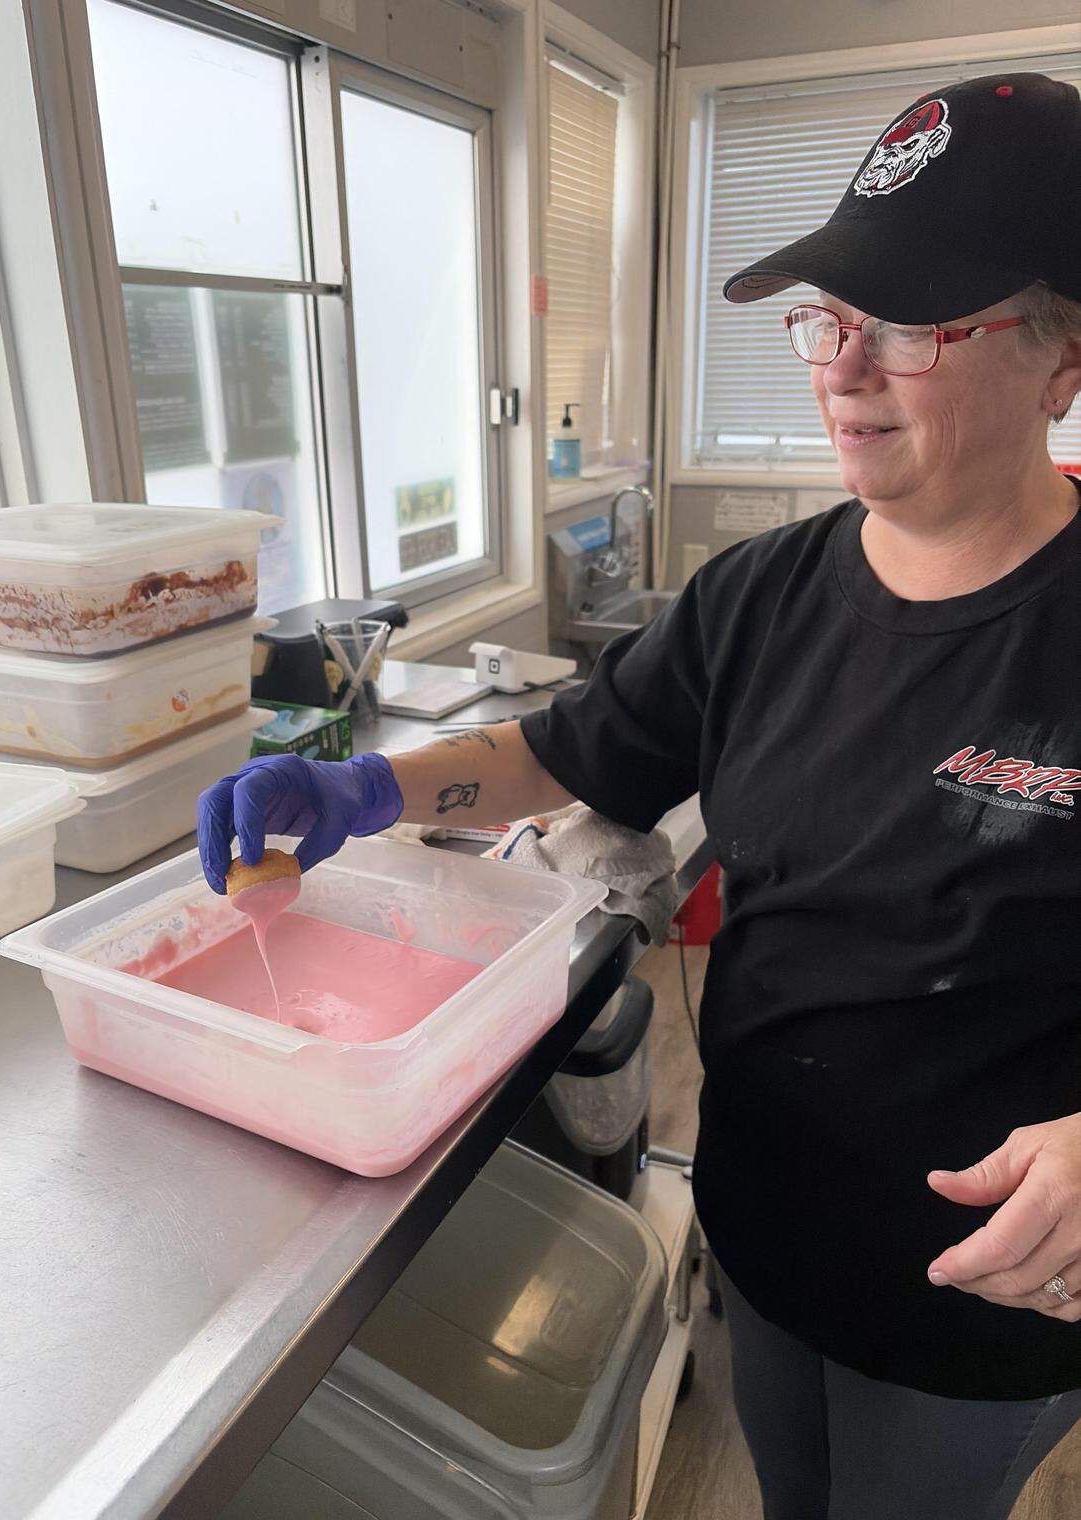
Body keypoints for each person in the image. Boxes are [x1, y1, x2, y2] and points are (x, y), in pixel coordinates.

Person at [198, 72, 1081, 1519]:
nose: (843, 369)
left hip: (982, 1307)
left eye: (912, 324)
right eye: (830, 318)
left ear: (1063, 360)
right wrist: (362, 784)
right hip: (770, 1228)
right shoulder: (758, 598)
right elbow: (571, 748)